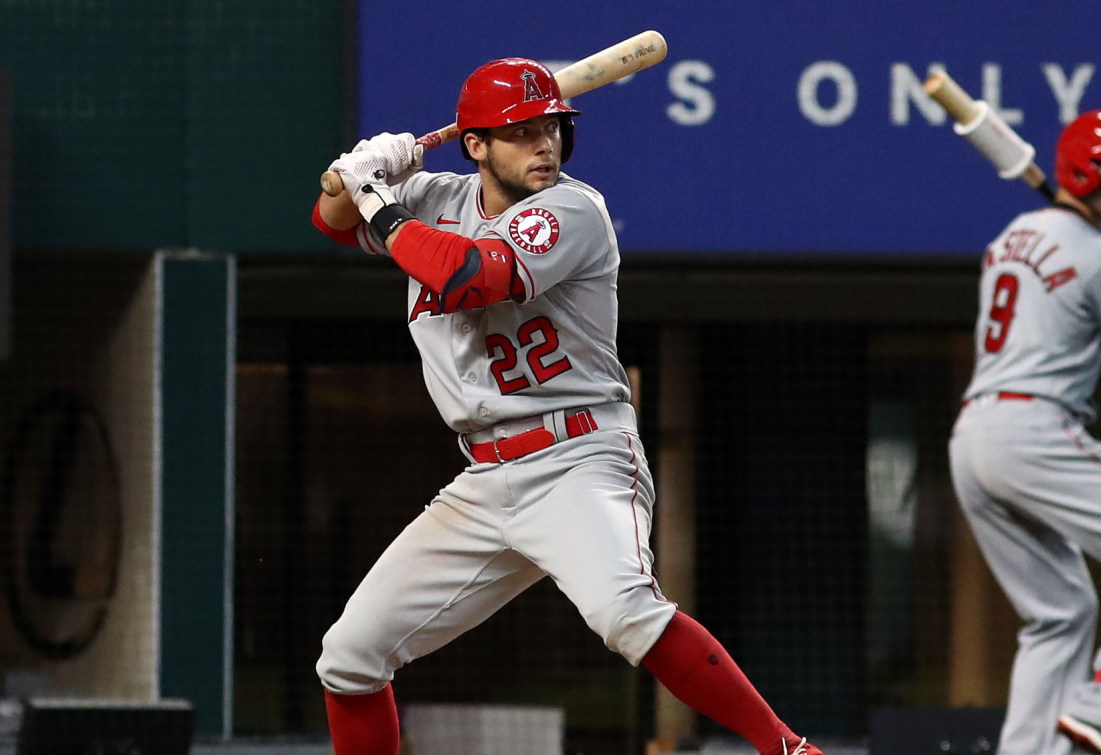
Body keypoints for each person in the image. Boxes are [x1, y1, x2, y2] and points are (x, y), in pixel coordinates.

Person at [310, 57, 821, 755]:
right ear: (476, 145)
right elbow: (329, 219)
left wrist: (381, 202)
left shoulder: (573, 210)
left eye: (551, 127)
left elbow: (469, 277)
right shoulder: (436, 198)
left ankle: (788, 749)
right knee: (349, 655)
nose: (544, 143)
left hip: (579, 454)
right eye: (520, 132)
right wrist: (359, 170)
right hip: (485, 474)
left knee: (626, 614)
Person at [948, 109, 1101, 755]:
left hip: (974, 436)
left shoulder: (1011, 235)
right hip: (1035, 427)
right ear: (1085, 169)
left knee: (1060, 614)